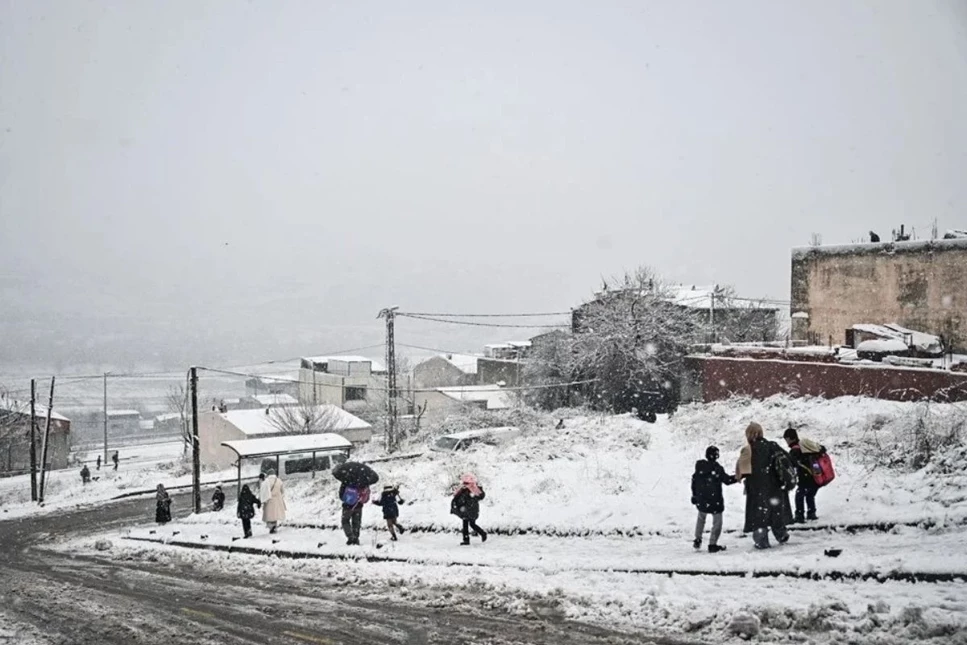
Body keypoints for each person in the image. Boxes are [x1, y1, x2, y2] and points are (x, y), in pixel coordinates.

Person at [738, 422, 793, 549]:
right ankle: (781, 534)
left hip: (757, 489)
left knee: (759, 516)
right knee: (776, 511)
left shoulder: (748, 450)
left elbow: (742, 472)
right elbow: (789, 459)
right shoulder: (772, 445)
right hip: (775, 487)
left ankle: (761, 541)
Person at [691, 446, 737, 553]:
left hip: (702, 500)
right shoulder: (717, 469)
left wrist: (695, 496)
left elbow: (694, 482)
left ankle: (697, 539)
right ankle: (712, 544)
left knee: (701, 519)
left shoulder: (699, 468)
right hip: (715, 500)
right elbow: (727, 480)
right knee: (717, 522)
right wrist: (739, 477)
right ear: (717, 456)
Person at [783, 428, 825, 523]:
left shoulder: (795, 450)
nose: (786, 442)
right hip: (816, 476)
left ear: (790, 438)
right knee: (810, 495)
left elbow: (790, 464)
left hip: (805, 478)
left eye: (786, 440)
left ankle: (799, 515)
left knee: (799, 496)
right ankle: (811, 513)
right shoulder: (806, 446)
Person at [451, 474, 487, 546]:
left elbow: (481, 496)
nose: (465, 484)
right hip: (465, 510)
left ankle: (482, 533)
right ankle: (466, 539)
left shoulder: (475, 489)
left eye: (466, 483)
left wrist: (474, 494)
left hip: (472, 510)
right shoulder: (463, 490)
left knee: (472, 524)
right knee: (465, 524)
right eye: (464, 483)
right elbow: (457, 497)